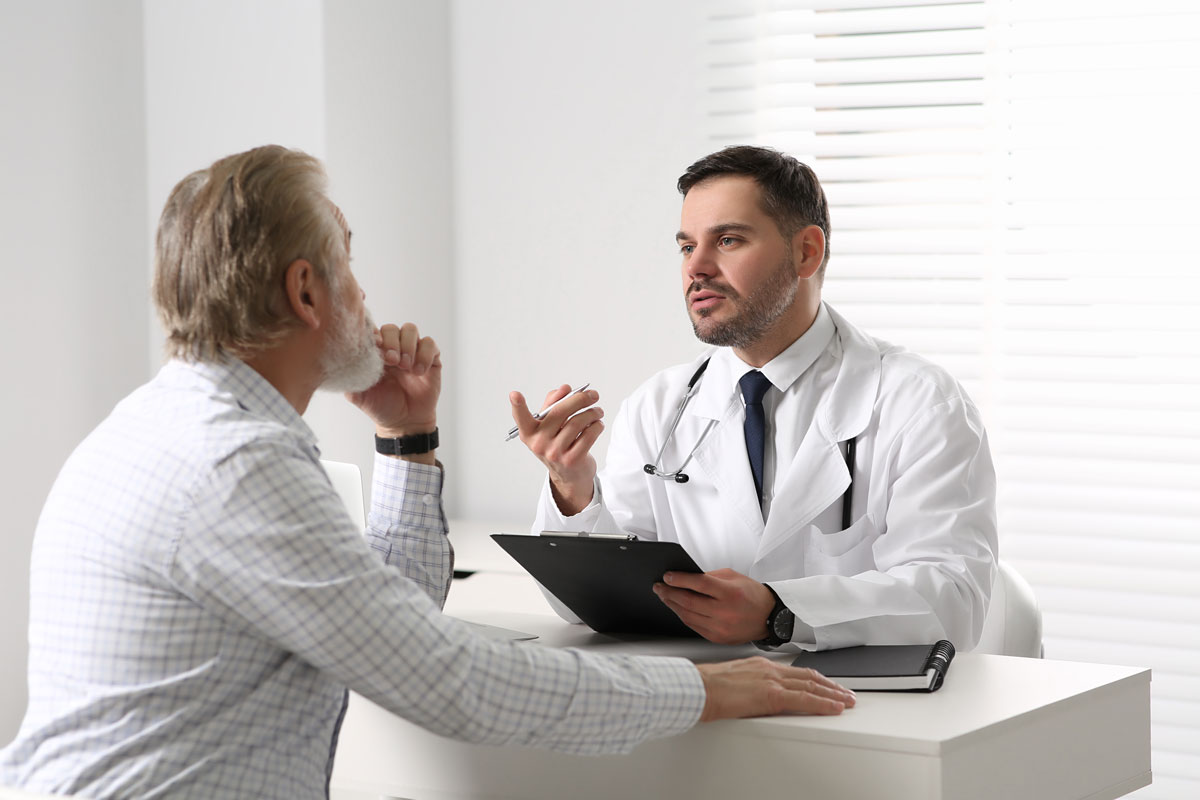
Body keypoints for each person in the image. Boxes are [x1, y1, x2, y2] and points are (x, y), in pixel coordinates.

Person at [0, 146, 855, 799]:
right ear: (306, 292)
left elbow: (387, 616)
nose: (365, 297)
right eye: (348, 264)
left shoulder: (166, 422)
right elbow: (452, 683)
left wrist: (408, 439)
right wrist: (702, 691)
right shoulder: (236, 462)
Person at [511, 145, 998, 652]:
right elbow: (586, 607)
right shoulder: (660, 405)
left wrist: (781, 613)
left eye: (727, 240)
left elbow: (952, 603)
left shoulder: (919, 403)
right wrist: (572, 487)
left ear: (807, 251)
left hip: (866, 712)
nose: (696, 267)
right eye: (685, 247)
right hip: (706, 704)